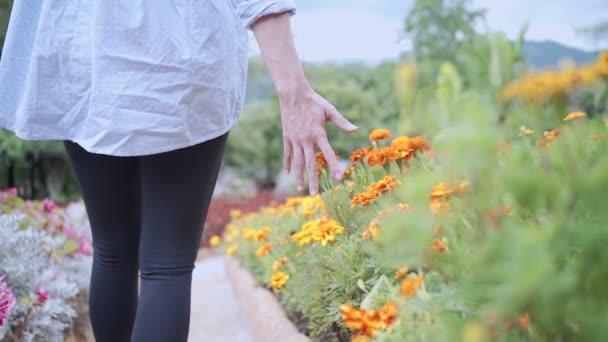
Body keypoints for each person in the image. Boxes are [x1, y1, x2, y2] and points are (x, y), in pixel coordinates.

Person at [0, 1, 357, 341]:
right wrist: (292, 89)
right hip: (179, 50)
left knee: (113, 251)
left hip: (84, 51)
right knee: (165, 264)